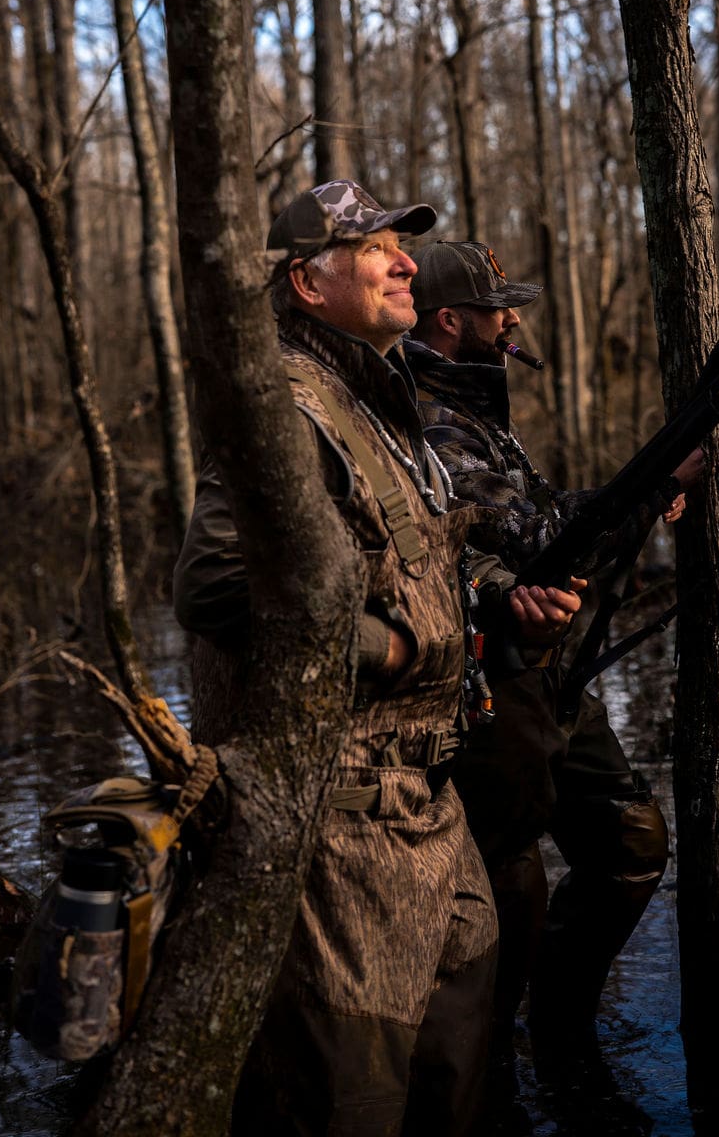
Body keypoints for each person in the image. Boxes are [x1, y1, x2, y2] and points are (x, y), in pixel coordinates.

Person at [173, 186, 584, 1137]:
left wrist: (509, 618)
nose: (405, 263)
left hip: (434, 816)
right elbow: (215, 584)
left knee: (461, 1095)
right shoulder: (283, 402)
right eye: (376, 249)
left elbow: (419, 563)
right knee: (351, 1105)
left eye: (402, 245)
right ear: (306, 284)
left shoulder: (384, 403)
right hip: (339, 833)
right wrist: (388, 646)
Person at [405, 239, 701, 1095]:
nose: (513, 323)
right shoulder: (432, 419)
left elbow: (539, 518)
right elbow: (536, 545)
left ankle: (560, 1036)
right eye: (498, 309)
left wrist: (640, 490)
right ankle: (496, 1071)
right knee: (508, 871)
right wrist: (649, 485)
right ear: (450, 320)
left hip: (548, 671)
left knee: (631, 839)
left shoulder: (478, 408)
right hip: (489, 682)